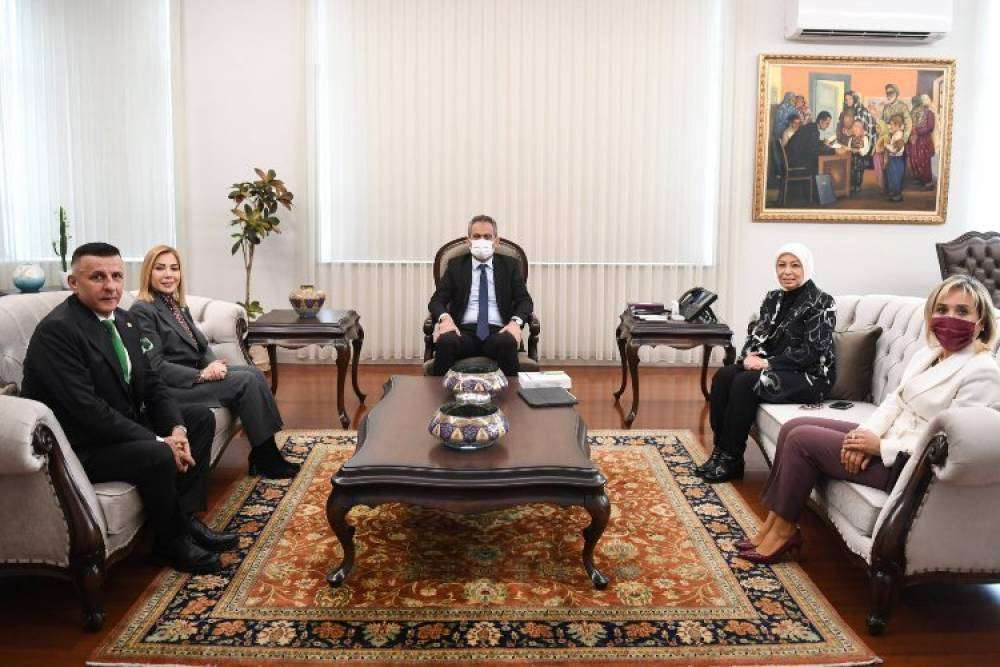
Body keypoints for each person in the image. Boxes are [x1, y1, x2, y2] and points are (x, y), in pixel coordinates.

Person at [740, 275, 1000, 564]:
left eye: (962, 311)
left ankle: (784, 531)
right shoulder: (930, 355)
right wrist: (865, 435)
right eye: (942, 309)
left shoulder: (983, 372)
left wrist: (880, 448)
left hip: (910, 466)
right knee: (793, 427)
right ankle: (772, 525)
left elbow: (954, 447)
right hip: (887, 439)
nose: (950, 318)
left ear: (982, 322)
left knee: (802, 440)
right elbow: (895, 401)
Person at [20, 243, 235, 574]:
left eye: (117, 276)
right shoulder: (58, 331)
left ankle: (184, 520)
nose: (111, 286)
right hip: (80, 446)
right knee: (158, 454)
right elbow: (87, 411)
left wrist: (176, 429)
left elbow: (153, 383)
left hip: (117, 427)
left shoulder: (123, 320)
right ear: (73, 282)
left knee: (198, 420)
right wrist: (160, 441)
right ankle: (170, 544)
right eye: (98, 277)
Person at [130, 245, 299, 479]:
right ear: (148, 272)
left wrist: (214, 366)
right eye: (160, 268)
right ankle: (266, 457)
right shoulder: (142, 310)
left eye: (174, 268)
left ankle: (264, 452)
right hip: (172, 389)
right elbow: (154, 367)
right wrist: (201, 375)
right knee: (246, 381)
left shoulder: (176, 305)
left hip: (196, 377)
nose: (169, 275)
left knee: (253, 373)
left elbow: (200, 346)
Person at [698, 244, 836, 483]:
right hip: (775, 368)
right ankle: (721, 452)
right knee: (723, 376)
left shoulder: (822, 302)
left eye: (795, 265)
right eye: (781, 265)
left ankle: (731, 457)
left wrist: (768, 363)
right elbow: (757, 336)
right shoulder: (773, 298)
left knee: (744, 383)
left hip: (810, 376)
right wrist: (748, 358)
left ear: (807, 267)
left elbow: (813, 352)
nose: (787, 271)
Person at [428, 214, 533, 376]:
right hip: (463, 332)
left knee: (507, 342)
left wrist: (515, 323)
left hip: (498, 332)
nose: (481, 241)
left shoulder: (509, 265)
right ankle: (440, 391)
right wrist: (445, 318)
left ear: (496, 241)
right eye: (476, 236)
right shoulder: (456, 266)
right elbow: (437, 300)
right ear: (468, 241)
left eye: (487, 237)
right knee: (446, 341)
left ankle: (511, 392)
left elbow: (525, 301)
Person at [785, 111, 836, 182]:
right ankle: (819, 186)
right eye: (827, 123)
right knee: (822, 162)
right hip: (795, 162)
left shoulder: (811, 126)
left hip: (792, 158)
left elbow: (810, 143)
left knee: (820, 160)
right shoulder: (814, 131)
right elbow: (814, 150)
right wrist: (832, 150)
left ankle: (818, 185)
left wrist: (822, 142)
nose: (828, 126)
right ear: (821, 121)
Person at [908, 94, 936, 189]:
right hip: (914, 141)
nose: (915, 105)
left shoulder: (929, 113)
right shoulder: (912, 112)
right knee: (914, 160)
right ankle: (919, 178)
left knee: (924, 160)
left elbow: (930, 127)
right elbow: (909, 124)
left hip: (923, 141)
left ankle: (928, 182)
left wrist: (917, 131)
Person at [885, 114, 907, 202]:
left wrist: (886, 145)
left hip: (896, 160)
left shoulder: (899, 136)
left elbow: (894, 150)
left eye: (892, 125)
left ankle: (896, 195)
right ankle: (893, 193)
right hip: (893, 160)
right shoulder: (895, 135)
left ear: (897, 125)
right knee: (891, 176)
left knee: (895, 177)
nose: (890, 126)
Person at [847, 119, 871, 195]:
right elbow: (849, 147)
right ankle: (852, 185)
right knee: (851, 172)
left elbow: (866, 149)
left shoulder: (864, 138)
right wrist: (849, 150)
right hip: (852, 159)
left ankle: (857, 186)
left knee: (859, 173)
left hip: (860, 159)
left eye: (858, 126)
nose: (855, 128)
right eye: (854, 126)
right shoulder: (851, 138)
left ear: (862, 129)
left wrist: (859, 151)